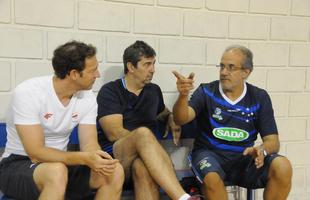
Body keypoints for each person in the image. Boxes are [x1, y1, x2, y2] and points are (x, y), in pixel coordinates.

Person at [0, 41, 124, 200]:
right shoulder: (28, 92)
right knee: (56, 172)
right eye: (93, 71)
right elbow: (36, 153)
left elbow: (89, 144)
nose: (98, 75)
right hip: (18, 164)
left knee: (114, 171)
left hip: (62, 164)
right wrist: (84, 158)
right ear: (73, 74)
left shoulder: (87, 96)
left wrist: (98, 159)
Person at [172, 45, 292, 200]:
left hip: (243, 159)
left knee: (283, 166)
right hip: (209, 155)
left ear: (246, 72)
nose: (223, 72)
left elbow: (273, 141)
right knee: (212, 178)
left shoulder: (259, 97)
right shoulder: (206, 91)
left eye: (230, 67)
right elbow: (181, 118)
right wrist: (183, 96)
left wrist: (262, 150)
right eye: (221, 66)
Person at [97, 40, 200, 200]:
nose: (153, 70)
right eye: (147, 64)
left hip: (143, 160)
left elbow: (162, 112)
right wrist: (144, 140)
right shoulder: (110, 91)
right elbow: (113, 133)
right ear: (131, 67)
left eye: (153, 64)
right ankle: (183, 198)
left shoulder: (153, 91)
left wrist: (171, 117)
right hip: (115, 159)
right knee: (143, 134)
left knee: (143, 168)